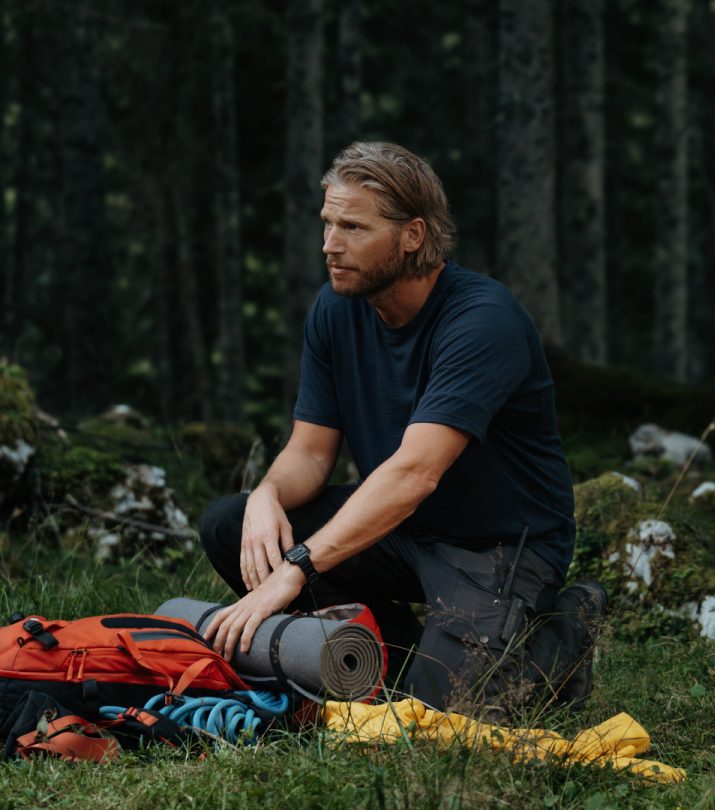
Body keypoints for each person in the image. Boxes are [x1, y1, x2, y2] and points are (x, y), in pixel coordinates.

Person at [199, 141, 603, 715]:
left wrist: (298, 568)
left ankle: (560, 639)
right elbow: (311, 454)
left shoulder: (483, 321)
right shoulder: (337, 308)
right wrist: (266, 495)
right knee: (229, 524)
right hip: (398, 529)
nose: (330, 246)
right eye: (328, 223)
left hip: (498, 545)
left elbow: (415, 473)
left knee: (439, 720)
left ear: (413, 234)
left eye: (353, 227)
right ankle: (389, 650)